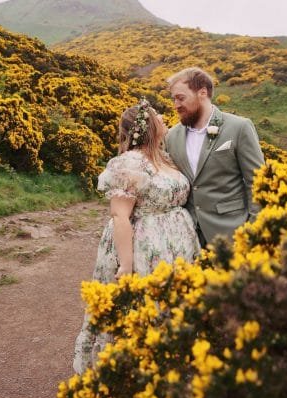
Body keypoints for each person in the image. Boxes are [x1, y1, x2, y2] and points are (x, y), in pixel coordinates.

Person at [72, 98, 200, 374]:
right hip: (145, 248)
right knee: (142, 310)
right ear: (149, 125)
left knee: (171, 310)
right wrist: (126, 265)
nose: (164, 120)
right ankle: (131, 373)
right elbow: (120, 215)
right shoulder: (129, 162)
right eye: (158, 117)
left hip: (176, 248)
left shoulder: (164, 158)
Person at [165, 67, 265, 246]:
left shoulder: (239, 128)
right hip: (188, 238)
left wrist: (253, 231)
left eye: (181, 98)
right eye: (174, 99)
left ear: (202, 92)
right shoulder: (171, 136)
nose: (176, 105)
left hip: (233, 234)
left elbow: (258, 182)